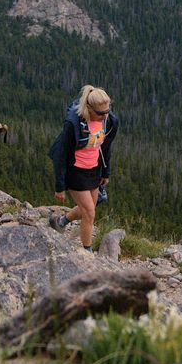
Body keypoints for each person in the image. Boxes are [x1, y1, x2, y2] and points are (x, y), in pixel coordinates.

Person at [48, 85, 119, 252]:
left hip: (93, 169)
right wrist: (60, 186)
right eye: (100, 113)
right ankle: (87, 253)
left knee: (88, 209)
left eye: (107, 111)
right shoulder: (74, 123)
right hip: (75, 171)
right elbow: (61, 155)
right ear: (89, 108)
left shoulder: (109, 121)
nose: (105, 116)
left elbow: (106, 148)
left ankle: (60, 222)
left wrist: (105, 172)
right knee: (89, 213)